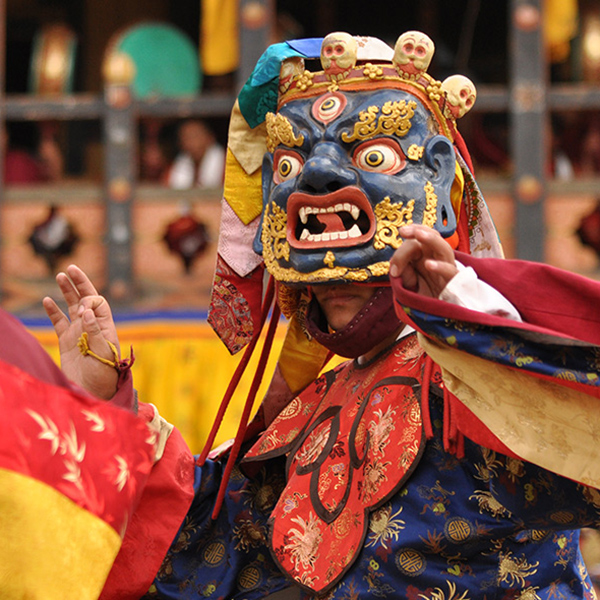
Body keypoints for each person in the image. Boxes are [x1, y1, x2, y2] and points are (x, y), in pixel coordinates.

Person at [21, 30, 600, 600]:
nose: (319, 177)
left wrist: (467, 316)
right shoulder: (310, 410)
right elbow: (206, 548)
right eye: (290, 163)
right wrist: (101, 403)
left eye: (373, 154)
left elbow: (576, 445)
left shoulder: (475, 382)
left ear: (440, 177)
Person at [164, 118, 225, 189]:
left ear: (210, 138)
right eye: (186, 138)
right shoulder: (175, 167)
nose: (191, 143)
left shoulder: (226, 164)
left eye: (195, 136)